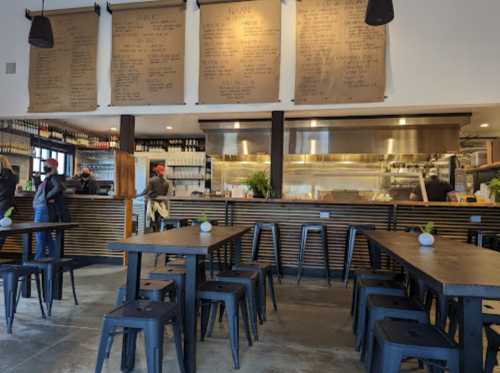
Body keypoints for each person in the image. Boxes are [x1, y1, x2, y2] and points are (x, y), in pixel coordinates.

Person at [33, 159, 66, 259]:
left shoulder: (53, 177)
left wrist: (47, 196)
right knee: (46, 236)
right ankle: (54, 259)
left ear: (52, 166)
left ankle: (38, 260)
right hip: (45, 209)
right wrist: (37, 179)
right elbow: (40, 191)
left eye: (45, 165)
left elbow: (58, 187)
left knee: (40, 235)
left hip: (44, 209)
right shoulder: (48, 178)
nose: (44, 167)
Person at [140, 164, 172, 231]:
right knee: (159, 220)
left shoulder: (152, 180)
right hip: (161, 204)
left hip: (152, 203)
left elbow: (146, 191)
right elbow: (164, 194)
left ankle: (154, 231)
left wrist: (138, 195)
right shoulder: (166, 183)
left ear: (156, 172)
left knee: (152, 219)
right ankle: (158, 231)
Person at [0, 156, 18, 249]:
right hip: (8, 207)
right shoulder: (14, 176)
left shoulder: (2, 177)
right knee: (3, 231)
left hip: (2, 205)